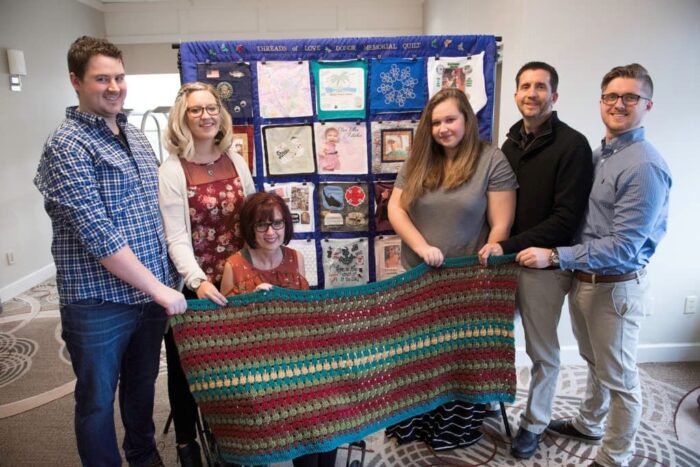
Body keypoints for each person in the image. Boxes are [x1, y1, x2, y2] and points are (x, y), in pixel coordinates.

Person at [34, 36, 187, 467]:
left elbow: (149, 215)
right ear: (76, 81)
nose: (114, 86)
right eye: (102, 78)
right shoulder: (66, 145)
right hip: (98, 302)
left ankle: (142, 456)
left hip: (149, 298)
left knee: (141, 388)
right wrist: (161, 289)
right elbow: (97, 234)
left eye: (119, 77)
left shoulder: (135, 135)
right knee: (97, 400)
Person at [516, 64, 671, 467]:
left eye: (630, 97)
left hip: (616, 287)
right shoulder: (602, 154)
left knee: (621, 378)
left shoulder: (643, 165)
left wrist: (554, 255)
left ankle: (614, 456)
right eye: (611, 96)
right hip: (586, 282)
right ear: (601, 101)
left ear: (647, 104)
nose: (619, 104)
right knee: (594, 363)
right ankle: (590, 423)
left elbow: (623, 246)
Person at [386, 87, 517, 451]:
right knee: (417, 355)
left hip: (466, 280)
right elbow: (396, 210)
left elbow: (501, 223)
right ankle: (414, 425)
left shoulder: (491, 159)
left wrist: (494, 248)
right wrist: (422, 247)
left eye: (450, 120)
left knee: (456, 358)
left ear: (467, 121)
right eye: (436, 122)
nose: (443, 128)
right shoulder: (419, 159)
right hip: (418, 276)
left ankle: (451, 429)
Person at [478, 61, 593, 459]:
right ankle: (481, 405)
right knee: (491, 341)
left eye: (540, 87)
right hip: (505, 262)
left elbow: (566, 219)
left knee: (542, 353)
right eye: (525, 86)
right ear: (515, 95)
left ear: (554, 96)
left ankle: (535, 422)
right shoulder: (509, 144)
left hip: (543, 267)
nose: (532, 93)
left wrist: (507, 246)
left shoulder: (572, 145)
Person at [159, 82, 256, 467]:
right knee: (187, 368)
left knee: (233, 363)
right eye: (196, 110)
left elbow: (250, 217)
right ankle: (186, 442)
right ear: (182, 118)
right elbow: (176, 236)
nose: (206, 115)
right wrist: (197, 281)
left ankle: (231, 433)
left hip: (237, 277)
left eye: (212, 108)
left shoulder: (235, 158)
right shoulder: (171, 170)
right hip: (194, 282)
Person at [220, 192, 338, 467]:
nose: (271, 232)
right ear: (250, 228)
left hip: (297, 357)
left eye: (277, 224)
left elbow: (307, 317)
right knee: (305, 413)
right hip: (258, 368)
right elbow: (225, 334)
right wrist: (251, 302)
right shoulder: (234, 266)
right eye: (262, 225)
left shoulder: (296, 258)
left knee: (331, 407)